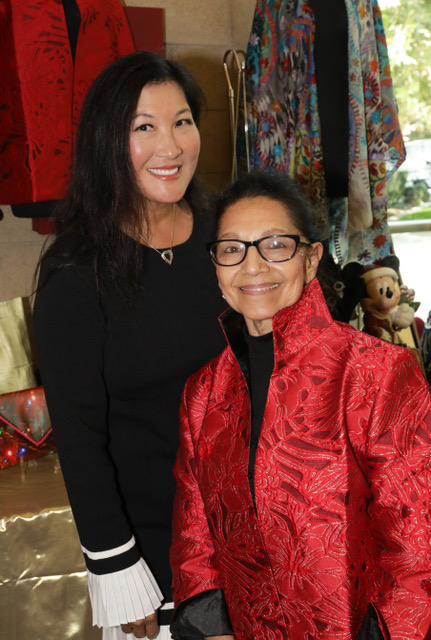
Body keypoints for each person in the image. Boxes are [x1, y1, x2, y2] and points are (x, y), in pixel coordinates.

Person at [170, 171, 431, 640]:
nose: (252, 266)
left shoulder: (376, 373)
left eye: (275, 245)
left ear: (311, 259)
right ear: (216, 264)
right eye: (232, 248)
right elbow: (195, 533)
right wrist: (214, 629)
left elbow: (418, 542)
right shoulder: (203, 391)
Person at [33, 51, 227, 640]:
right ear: (107, 142)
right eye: (144, 127)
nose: (170, 146)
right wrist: (116, 565)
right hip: (154, 554)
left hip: (256, 537)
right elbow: (79, 436)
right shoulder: (77, 272)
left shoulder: (229, 236)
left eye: (182, 121)